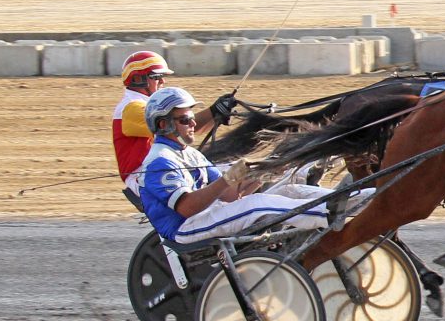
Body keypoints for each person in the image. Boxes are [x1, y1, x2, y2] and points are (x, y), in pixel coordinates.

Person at [138, 87, 370, 245]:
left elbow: (230, 196)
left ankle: (361, 197)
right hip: (186, 228)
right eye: (185, 120)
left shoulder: (191, 155)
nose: (193, 124)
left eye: (190, 118)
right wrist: (226, 179)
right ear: (163, 124)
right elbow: (187, 208)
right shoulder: (160, 160)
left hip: (209, 215)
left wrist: (263, 173)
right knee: (257, 204)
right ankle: (329, 215)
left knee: (287, 188)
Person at [111, 50, 236, 200]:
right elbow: (178, 127)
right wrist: (213, 111)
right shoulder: (132, 107)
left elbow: (189, 129)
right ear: (138, 79)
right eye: (157, 77)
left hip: (165, 165)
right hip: (146, 176)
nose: (163, 82)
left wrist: (215, 116)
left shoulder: (146, 104)